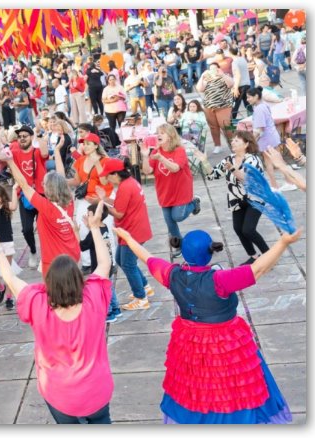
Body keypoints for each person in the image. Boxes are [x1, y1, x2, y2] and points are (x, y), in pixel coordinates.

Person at [115, 226, 300, 424]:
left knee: (195, 385)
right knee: (232, 388)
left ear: (182, 250)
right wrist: (283, 242)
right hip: (225, 342)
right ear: (211, 251)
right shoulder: (220, 280)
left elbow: (148, 258)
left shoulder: (172, 274)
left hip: (190, 342)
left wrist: (128, 237)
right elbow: (259, 268)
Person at [0, 201, 115, 423]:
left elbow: (10, 279)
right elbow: (104, 263)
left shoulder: (38, 305)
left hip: (59, 394)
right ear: (78, 280)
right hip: (96, 390)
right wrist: (94, 227)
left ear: (50, 282)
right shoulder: (93, 298)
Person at [194, 131, 269, 265]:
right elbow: (213, 175)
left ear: (246, 144)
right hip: (237, 199)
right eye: (232, 140)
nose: (232, 142)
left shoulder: (253, 160)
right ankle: (254, 256)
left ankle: (269, 256)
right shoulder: (229, 159)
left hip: (255, 198)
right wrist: (205, 162)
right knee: (238, 229)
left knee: (248, 229)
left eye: (237, 140)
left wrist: (233, 169)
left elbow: (247, 180)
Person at [4, 151, 79, 277]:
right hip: (73, 255)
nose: (41, 185)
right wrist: (57, 151)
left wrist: (10, 161)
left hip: (54, 263)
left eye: (44, 183)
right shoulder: (69, 203)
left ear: (50, 188)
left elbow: (23, 185)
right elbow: (61, 177)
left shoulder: (46, 207)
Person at [96, 158, 155, 312]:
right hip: (136, 229)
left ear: (116, 174)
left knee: (128, 264)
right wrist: (103, 199)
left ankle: (141, 298)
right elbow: (120, 203)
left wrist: (102, 206)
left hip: (132, 231)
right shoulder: (130, 182)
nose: (107, 179)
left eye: (108, 175)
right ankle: (144, 286)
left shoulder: (125, 187)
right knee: (121, 260)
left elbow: (119, 213)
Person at [140, 124, 201, 256]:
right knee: (170, 223)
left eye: (162, 132)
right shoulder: (156, 152)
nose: (159, 135)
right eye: (158, 132)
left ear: (170, 136)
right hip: (164, 192)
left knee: (177, 216)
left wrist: (161, 158)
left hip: (181, 190)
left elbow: (175, 168)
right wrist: (145, 156)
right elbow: (147, 171)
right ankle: (180, 247)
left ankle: (194, 203)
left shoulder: (179, 151)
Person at [57, 132, 115, 269]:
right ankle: (87, 262)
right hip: (86, 199)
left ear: (96, 145)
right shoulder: (80, 160)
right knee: (83, 228)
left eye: (88, 144)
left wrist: (97, 163)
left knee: (105, 230)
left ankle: (110, 261)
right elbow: (78, 180)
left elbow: (104, 181)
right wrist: (62, 181)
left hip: (102, 199)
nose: (85, 146)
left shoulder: (105, 161)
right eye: (84, 144)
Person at [8, 124, 48, 268]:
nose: (22, 138)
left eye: (25, 136)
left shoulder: (37, 152)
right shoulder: (15, 152)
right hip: (25, 195)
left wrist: (39, 136)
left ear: (31, 137)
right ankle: (33, 251)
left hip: (41, 194)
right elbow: (0, 156)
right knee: (26, 229)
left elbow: (45, 154)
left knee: (44, 228)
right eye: (19, 137)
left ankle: (46, 255)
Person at [246, 87, 297, 192]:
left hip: (266, 139)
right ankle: (289, 182)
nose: (247, 99)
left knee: (269, 163)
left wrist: (252, 141)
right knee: (279, 160)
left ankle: (275, 186)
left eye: (249, 97)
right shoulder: (263, 105)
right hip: (272, 136)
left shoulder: (259, 109)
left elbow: (259, 129)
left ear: (256, 96)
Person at [196, 62, 235, 155]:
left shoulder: (225, 75)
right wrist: (202, 76)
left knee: (226, 125)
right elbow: (199, 89)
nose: (213, 70)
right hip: (209, 106)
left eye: (215, 68)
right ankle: (217, 145)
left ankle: (234, 143)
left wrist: (222, 75)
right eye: (211, 68)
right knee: (213, 127)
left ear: (218, 68)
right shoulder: (207, 78)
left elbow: (231, 84)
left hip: (224, 105)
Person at [101, 74, 128, 139]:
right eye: (110, 80)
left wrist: (120, 97)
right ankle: (114, 140)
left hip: (120, 109)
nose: (112, 81)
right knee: (112, 127)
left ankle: (123, 139)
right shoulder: (106, 89)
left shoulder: (120, 87)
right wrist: (113, 100)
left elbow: (125, 97)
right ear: (108, 81)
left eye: (113, 79)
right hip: (110, 111)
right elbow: (103, 100)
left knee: (122, 125)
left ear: (115, 79)